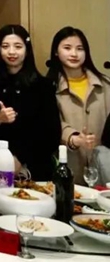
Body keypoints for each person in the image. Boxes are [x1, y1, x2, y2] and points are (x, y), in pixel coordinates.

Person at [0, 25, 60, 180]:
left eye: (18, 46)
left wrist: (21, 157)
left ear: (27, 49)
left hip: (35, 169)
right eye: (5, 46)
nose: (12, 52)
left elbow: (52, 133)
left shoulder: (43, 87)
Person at [47, 27, 110, 184]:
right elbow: (49, 122)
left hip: (103, 166)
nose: (74, 54)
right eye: (67, 48)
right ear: (56, 52)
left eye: (80, 49)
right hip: (67, 165)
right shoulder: (49, 86)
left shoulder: (105, 84)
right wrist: (72, 138)